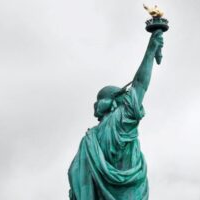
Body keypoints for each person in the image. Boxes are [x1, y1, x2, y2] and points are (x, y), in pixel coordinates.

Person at [67, 30, 164, 200]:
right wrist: (150, 51)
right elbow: (140, 84)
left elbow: (76, 178)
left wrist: (150, 50)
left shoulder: (90, 140)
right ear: (115, 104)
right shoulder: (119, 121)